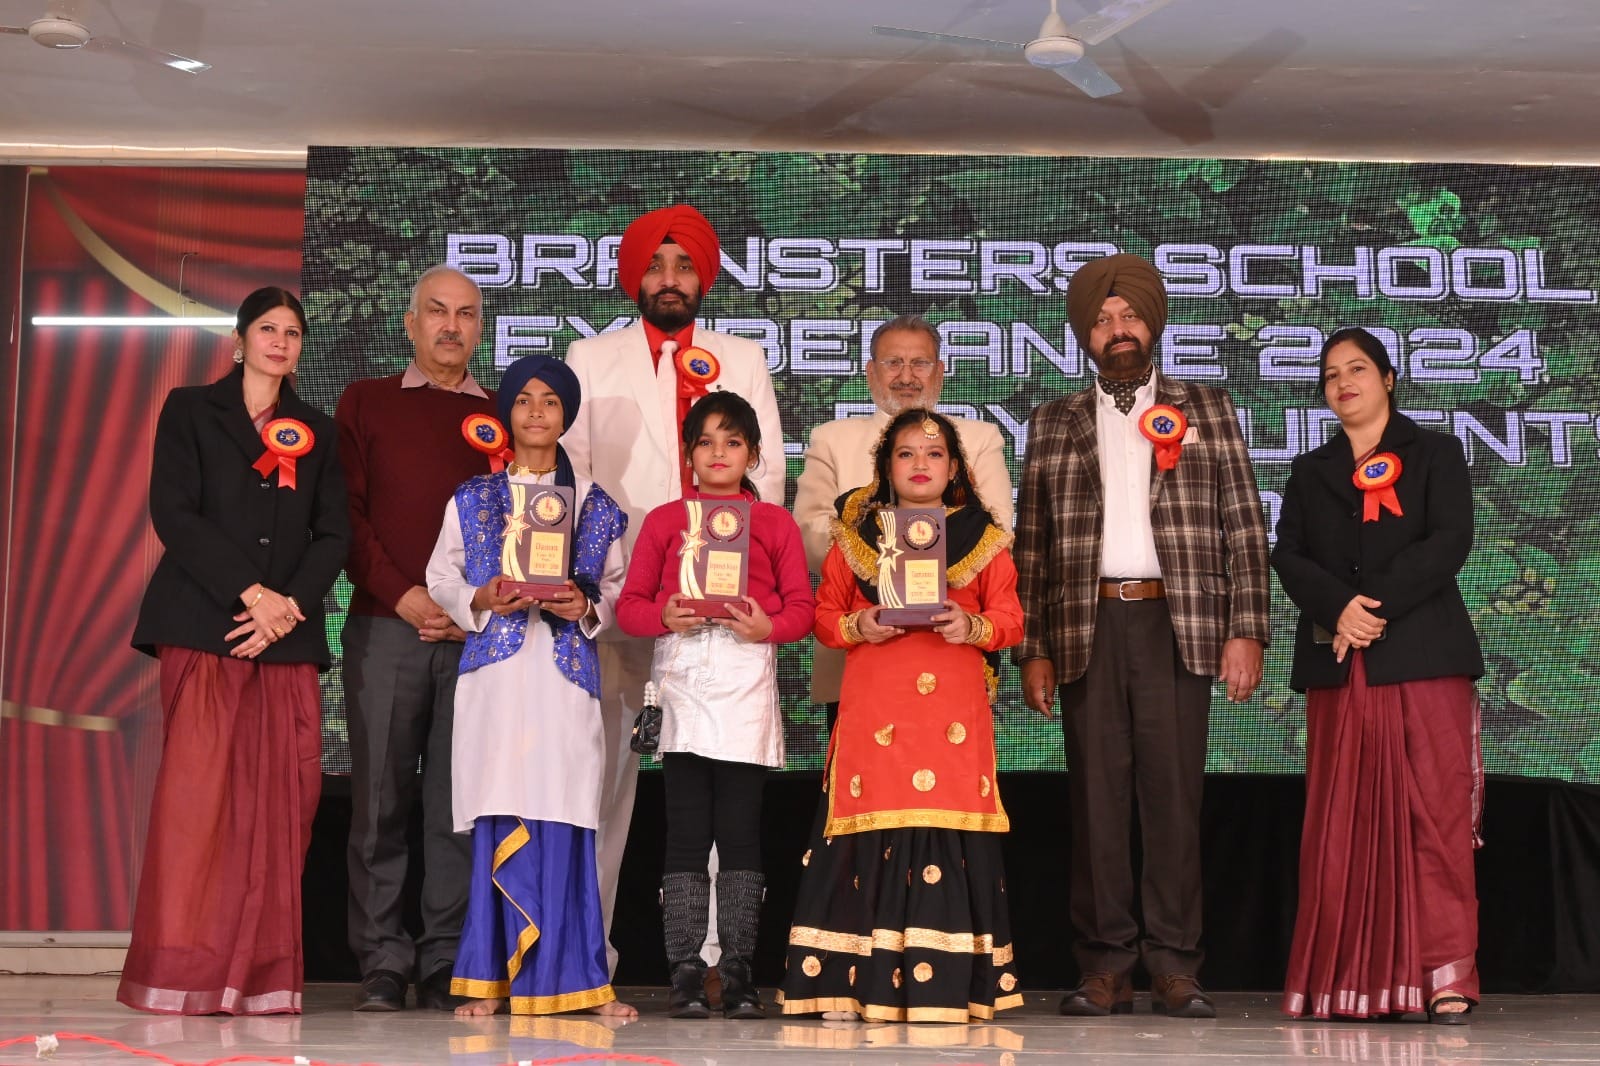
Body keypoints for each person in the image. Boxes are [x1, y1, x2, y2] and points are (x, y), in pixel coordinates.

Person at [1012, 252, 1271, 1019]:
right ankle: (1104, 965)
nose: (1117, 329)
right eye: (1102, 320)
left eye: (1128, 316)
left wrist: (1247, 629)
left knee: (1173, 800)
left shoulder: (1206, 406)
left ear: (1151, 324)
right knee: (1096, 802)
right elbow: (1033, 544)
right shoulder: (1052, 420)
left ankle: (1175, 965)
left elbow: (1244, 526)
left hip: (1177, 622)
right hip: (1085, 623)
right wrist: (1034, 648)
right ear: (1084, 336)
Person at [563, 205, 785, 981]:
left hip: (718, 629)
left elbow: (769, 478)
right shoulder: (592, 359)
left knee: (721, 796)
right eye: (656, 265)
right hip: (623, 608)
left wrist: (738, 593)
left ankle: (715, 962)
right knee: (601, 789)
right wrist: (616, 588)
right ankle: (585, 957)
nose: (669, 279)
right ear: (635, 276)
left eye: (683, 265)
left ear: (703, 278)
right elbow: (576, 486)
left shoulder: (741, 357)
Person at [120, 287, 349, 1014]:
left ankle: (259, 980)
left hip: (287, 638)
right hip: (205, 624)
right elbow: (174, 512)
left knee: (283, 807)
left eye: (293, 332)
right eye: (268, 329)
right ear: (240, 341)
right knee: (199, 806)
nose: (281, 342)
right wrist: (252, 594)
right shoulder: (192, 409)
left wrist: (286, 609)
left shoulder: (318, 430)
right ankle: (181, 976)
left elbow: (333, 535)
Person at [778, 408, 1024, 1024]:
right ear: (886, 466)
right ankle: (847, 984)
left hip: (952, 710)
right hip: (876, 703)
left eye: (934, 454)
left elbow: (1011, 619)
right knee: (869, 820)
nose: (920, 465)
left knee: (946, 823)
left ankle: (953, 988)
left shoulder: (985, 536)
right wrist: (859, 623)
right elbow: (824, 617)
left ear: (955, 468)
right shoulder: (855, 533)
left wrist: (973, 625)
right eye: (906, 453)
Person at [1273, 327, 1483, 1024]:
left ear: (1388, 378)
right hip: (1341, 664)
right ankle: (1349, 980)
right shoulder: (1310, 470)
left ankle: (1445, 977)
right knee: (1345, 823)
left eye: (1357, 368)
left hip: (1424, 658)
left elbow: (1449, 540)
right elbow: (1288, 554)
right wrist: (1339, 608)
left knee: (1435, 817)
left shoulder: (1436, 453)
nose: (1343, 383)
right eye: (1331, 374)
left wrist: (1372, 608)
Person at [424, 355, 636, 1020]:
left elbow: (620, 591)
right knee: (500, 806)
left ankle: (579, 981)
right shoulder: (473, 498)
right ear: (507, 413)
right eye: (524, 399)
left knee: (567, 815)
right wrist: (481, 597)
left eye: (550, 400)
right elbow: (441, 577)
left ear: (566, 415)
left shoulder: (597, 505)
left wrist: (587, 605)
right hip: (497, 676)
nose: (537, 411)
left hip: (564, 676)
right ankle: (490, 980)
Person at [615, 391, 814, 1019]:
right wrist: (664, 614)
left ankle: (738, 972)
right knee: (685, 834)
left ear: (753, 454)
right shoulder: (665, 520)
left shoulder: (775, 523)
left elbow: (802, 611)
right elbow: (630, 607)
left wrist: (766, 626)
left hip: (744, 681)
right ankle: (683, 971)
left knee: (739, 834)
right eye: (705, 442)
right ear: (688, 454)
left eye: (732, 442)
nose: (718, 453)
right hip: (680, 684)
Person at [336, 265, 498, 1012]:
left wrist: (467, 607)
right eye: (436, 311)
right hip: (385, 626)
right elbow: (345, 517)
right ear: (410, 323)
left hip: (474, 638)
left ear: (479, 327)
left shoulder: (502, 416)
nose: (450, 326)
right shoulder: (366, 401)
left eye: (465, 314)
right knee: (378, 803)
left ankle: (444, 957)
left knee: (455, 808)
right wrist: (404, 596)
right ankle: (380, 958)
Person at [792, 314, 1014, 725]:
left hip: (953, 647)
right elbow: (810, 534)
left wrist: (923, 557)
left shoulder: (978, 438)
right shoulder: (832, 438)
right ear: (870, 371)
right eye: (893, 363)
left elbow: (996, 531)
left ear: (940, 371)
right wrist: (889, 563)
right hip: (861, 645)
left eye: (920, 363)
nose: (907, 376)